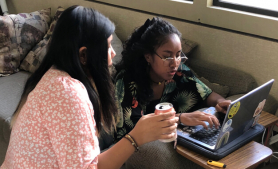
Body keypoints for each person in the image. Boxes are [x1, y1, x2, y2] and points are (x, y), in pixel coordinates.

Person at [1, 6, 178, 169]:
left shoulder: (55, 76)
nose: (113, 54)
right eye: (108, 47)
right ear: (84, 55)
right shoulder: (67, 94)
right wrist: (135, 137)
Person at [114, 17, 231, 141]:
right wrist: (179, 118)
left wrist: (221, 103)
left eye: (178, 55)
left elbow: (207, 94)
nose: (174, 63)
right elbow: (132, 131)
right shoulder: (127, 81)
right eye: (167, 56)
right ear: (148, 56)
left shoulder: (180, 72)